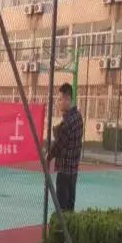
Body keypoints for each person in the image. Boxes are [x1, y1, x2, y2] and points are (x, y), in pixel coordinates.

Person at [47, 82, 84, 212]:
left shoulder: (67, 122)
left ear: (68, 99)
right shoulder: (78, 116)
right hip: (73, 169)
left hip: (64, 170)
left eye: (60, 99)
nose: (58, 102)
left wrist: (48, 156)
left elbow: (58, 145)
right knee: (70, 205)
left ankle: (61, 225)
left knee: (61, 208)